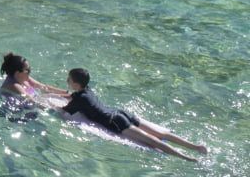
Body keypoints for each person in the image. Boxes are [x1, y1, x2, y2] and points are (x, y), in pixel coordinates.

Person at [61, 68, 207, 162]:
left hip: (115, 121)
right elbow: (72, 97)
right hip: (120, 112)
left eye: (69, 79)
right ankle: (196, 147)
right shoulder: (86, 91)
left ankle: (187, 158)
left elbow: (63, 110)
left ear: (76, 84)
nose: (67, 80)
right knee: (161, 134)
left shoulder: (79, 99)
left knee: (153, 141)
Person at [0, 53, 68, 98]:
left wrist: (67, 93)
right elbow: (32, 101)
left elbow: (44, 87)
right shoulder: (14, 86)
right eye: (27, 70)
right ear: (17, 73)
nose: (29, 71)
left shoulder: (24, 78)